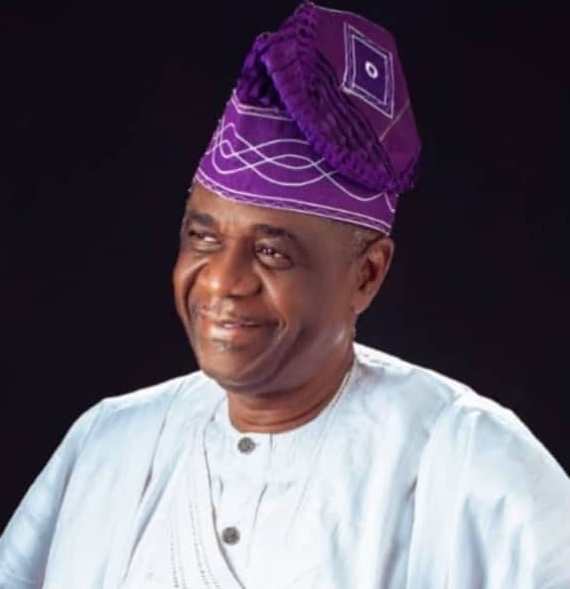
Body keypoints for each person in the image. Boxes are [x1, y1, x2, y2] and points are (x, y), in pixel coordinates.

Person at [1, 2, 569, 587]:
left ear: (367, 275)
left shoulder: (466, 460)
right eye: (203, 238)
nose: (222, 280)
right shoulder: (109, 445)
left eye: (272, 251)